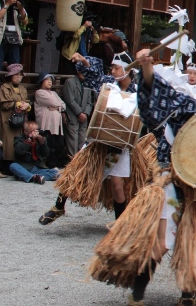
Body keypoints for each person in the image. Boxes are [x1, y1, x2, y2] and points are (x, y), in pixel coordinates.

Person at [89, 50, 196, 306]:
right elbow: (152, 94)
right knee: (160, 243)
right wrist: (148, 66)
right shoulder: (186, 103)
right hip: (168, 184)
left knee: (192, 236)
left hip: (188, 186)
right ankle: (135, 301)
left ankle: (188, 292)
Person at [39, 51, 137, 225]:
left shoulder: (137, 91)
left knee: (117, 185)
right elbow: (93, 73)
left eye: (116, 68)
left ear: (128, 70)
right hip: (98, 138)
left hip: (119, 143)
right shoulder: (107, 84)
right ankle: (59, 206)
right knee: (74, 169)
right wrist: (84, 60)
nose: (113, 71)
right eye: (112, 67)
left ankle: (120, 223)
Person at [0, 64, 31, 163]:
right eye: (16, 74)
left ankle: (17, 161)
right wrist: (17, 104)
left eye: (20, 74)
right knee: (8, 142)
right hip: (7, 117)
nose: (19, 76)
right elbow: (5, 103)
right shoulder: (5, 87)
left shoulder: (23, 88)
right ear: (11, 76)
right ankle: (6, 163)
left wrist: (27, 105)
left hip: (20, 118)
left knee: (19, 140)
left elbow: (26, 100)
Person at [62, 65, 96, 157]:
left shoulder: (88, 84)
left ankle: (80, 162)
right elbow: (70, 100)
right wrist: (79, 113)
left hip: (84, 117)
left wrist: (85, 113)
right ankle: (72, 163)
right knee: (72, 141)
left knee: (82, 140)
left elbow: (89, 102)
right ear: (78, 72)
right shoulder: (70, 82)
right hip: (72, 116)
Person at [33, 74, 66, 167]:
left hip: (57, 125)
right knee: (49, 145)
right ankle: (49, 165)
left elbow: (63, 105)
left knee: (59, 145)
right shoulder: (39, 92)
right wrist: (58, 106)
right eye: (47, 79)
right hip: (46, 125)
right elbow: (53, 102)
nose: (50, 81)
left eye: (51, 80)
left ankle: (55, 164)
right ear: (41, 81)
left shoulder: (54, 93)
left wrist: (57, 107)